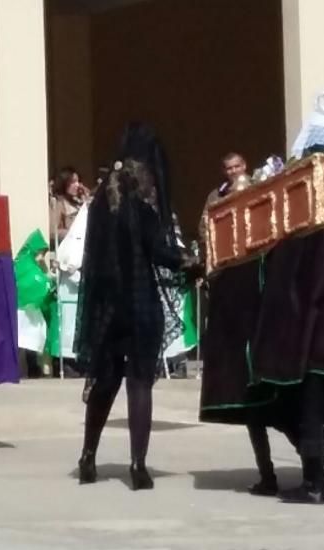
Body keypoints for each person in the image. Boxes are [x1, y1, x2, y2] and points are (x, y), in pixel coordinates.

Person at [75, 126, 198, 491]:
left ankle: (88, 455)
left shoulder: (101, 202)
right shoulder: (143, 206)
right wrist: (190, 262)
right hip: (141, 300)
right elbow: (159, 251)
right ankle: (138, 465)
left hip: (108, 306)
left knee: (105, 383)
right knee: (140, 384)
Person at [50, 167, 87, 243]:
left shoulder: (77, 202)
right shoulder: (58, 203)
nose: (77, 185)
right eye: (73, 182)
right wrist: (73, 234)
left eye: (78, 181)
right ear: (64, 183)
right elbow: (52, 232)